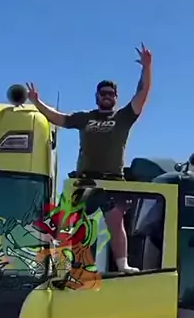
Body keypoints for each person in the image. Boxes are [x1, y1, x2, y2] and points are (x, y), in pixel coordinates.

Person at [26, 44, 152, 274]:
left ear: (116, 97)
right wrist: (36, 101)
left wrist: (146, 67)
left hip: (112, 180)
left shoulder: (123, 117)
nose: (107, 96)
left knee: (116, 222)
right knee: (64, 221)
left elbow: (141, 94)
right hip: (84, 179)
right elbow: (59, 118)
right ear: (97, 96)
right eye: (103, 93)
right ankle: (60, 265)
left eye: (111, 94)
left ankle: (123, 264)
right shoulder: (85, 118)